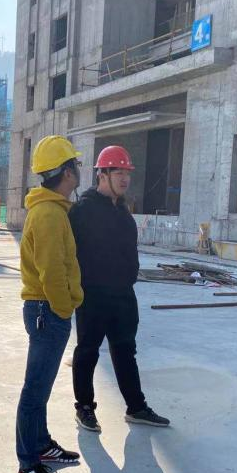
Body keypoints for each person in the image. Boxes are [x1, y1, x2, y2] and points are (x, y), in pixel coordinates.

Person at [69, 145, 170, 432]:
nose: (125, 179)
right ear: (102, 174)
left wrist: (128, 279)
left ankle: (136, 407)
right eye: (118, 173)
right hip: (93, 295)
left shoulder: (123, 211)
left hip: (123, 295)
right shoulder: (83, 210)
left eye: (127, 173)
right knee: (88, 351)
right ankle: (84, 408)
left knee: (125, 350)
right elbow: (71, 254)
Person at [16, 135, 85, 473]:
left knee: (41, 387)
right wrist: (64, 306)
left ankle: (41, 445)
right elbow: (51, 271)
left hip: (48, 309)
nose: (79, 171)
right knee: (34, 390)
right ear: (67, 172)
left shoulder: (53, 210)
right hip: (47, 309)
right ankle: (29, 464)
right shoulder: (47, 214)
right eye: (76, 164)